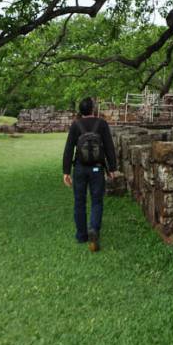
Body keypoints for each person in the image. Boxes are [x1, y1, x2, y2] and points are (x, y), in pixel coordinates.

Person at [62, 97, 118, 251]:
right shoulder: (102, 124)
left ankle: (81, 235)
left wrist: (66, 171)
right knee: (96, 201)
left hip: (79, 169)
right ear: (93, 109)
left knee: (79, 201)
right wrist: (112, 168)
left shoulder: (76, 125)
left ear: (80, 110)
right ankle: (93, 228)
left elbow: (69, 149)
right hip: (97, 169)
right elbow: (109, 146)